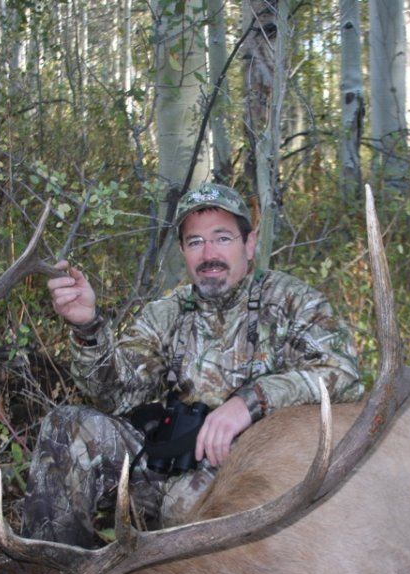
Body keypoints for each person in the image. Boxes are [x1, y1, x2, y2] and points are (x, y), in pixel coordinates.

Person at [23, 183, 363, 546]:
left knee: (182, 511)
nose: (209, 253)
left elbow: (344, 376)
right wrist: (87, 327)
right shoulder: (166, 312)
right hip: (168, 458)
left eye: (222, 238)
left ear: (249, 245)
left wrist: (250, 403)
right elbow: (116, 395)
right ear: (183, 251)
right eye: (195, 242)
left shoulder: (293, 301)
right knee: (67, 427)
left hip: (252, 470)